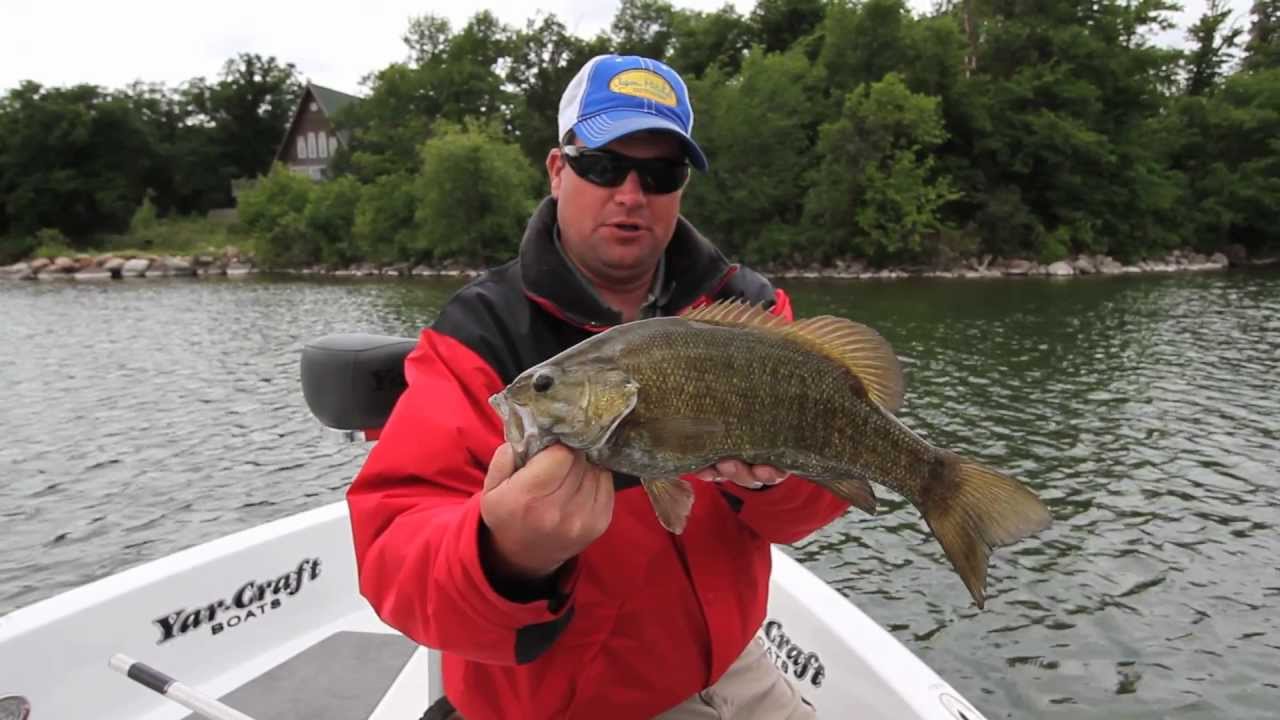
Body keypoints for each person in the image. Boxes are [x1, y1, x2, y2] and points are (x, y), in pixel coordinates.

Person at [346, 54, 850, 720]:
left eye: (662, 172)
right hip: (562, 701)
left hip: (735, 665)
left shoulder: (747, 311)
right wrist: (506, 554)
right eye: (605, 165)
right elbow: (393, 555)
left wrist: (779, 480)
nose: (632, 193)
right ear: (559, 170)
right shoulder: (480, 336)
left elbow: (812, 507)